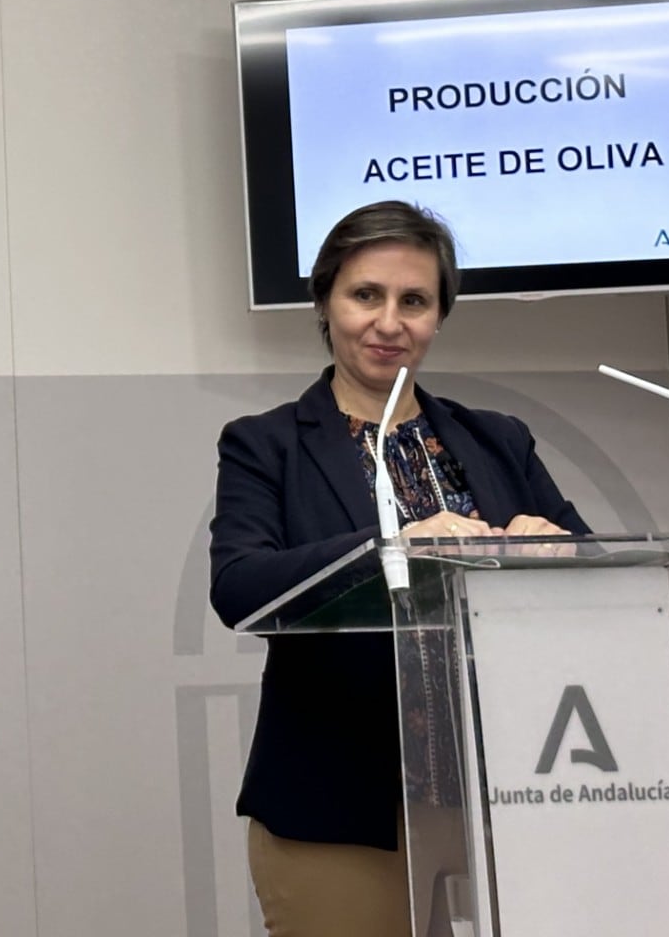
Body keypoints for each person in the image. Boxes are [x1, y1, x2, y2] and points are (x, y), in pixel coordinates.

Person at [209, 201, 587, 937]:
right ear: (325, 302)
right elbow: (239, 585)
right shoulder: (267, 446)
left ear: (440, 314)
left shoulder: (497, 438)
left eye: (414, 301)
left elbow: (590, 561)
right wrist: (397, 548)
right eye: (365, 296)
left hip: (509, 792)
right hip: (341, 806)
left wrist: (555, 546)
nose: (389, 322)